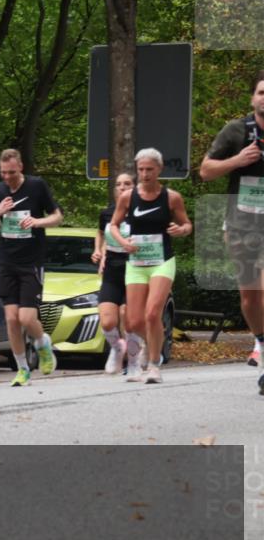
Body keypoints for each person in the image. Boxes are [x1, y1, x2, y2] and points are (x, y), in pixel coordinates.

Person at [200, 71, 264, 395]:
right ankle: (261, 341)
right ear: (253, 98)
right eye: (262, 92)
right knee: (250, 297)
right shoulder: (235, 131)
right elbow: (205, 171)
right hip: (241, 224)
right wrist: (238, 160)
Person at [109, 148, 192, 384]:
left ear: (159, 169)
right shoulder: (127, 197)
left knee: (153, 313)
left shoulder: (171, 197)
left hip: (162, 261)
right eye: (141, 169)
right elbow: (114, 225)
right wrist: (124, 242)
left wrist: (180, 230)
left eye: (149, 170)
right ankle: (148, 344)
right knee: (134, 321)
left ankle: (155, 364)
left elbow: (187, 225)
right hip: (136, 263)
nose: (145, 174)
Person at [0, 148, 63, 387]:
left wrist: (38, 222)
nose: (7, 177)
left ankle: (43, 344)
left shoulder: (36, 186)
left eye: (11, 172)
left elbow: (57, 217)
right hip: (7, 261)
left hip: (31, 262)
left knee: (27, 318)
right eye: (3, 172)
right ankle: (22, 369)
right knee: (11, 319)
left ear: (20, 168)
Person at [94, 171, 138, 375]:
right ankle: (117, 347)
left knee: (126, 317)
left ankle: (133, 360)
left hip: (135, 270)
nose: (122, 187)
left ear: (135, 188)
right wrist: (99, 251)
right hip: (112, 271)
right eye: (119, 184)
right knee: (107, 321)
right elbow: (100, 233)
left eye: (127, 184)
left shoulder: (140, 213)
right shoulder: (106, 213)